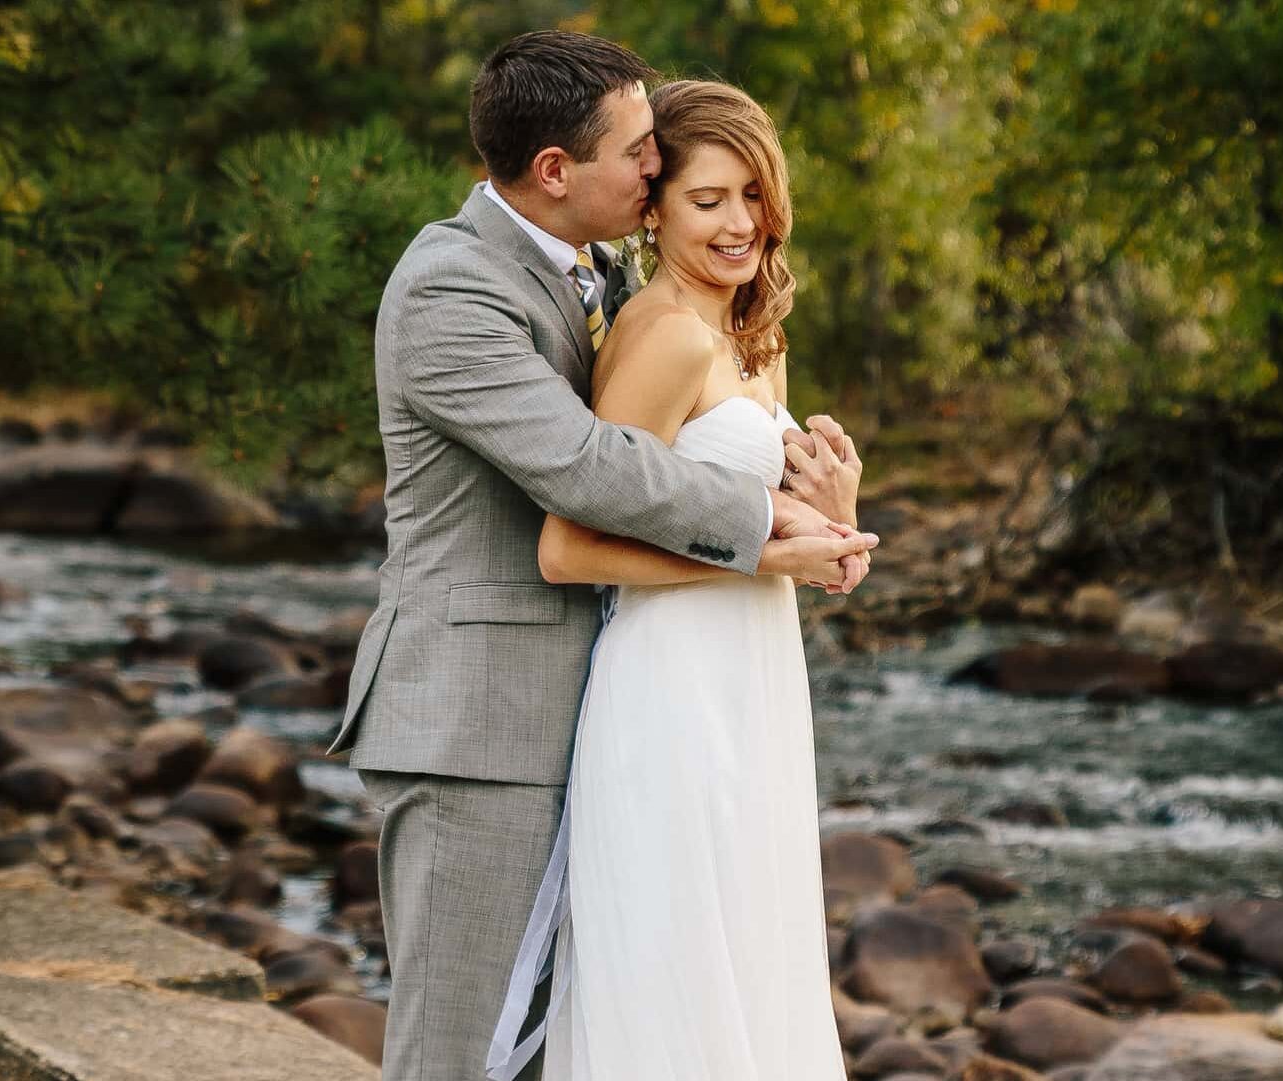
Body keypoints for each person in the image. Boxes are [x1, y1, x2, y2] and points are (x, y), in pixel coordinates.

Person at [329, 32, 875, 1081]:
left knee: (568, 1042)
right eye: (641, 157)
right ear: (553, 171)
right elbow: (587, 468)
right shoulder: (453, 286)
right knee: (458, 1052)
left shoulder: (602, 271)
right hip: (474, 722)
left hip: (603, 704)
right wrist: (768, 529)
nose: (652, 172)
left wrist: (821, 507)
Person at [486, 78, 856, 1081]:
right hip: (671, 693)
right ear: (652, 209)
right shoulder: (664, 336)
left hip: (755, 685)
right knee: (680, 972)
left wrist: (838, 516)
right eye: (708, 200)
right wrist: (771, 552)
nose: (740, 223)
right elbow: (570, 548)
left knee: (750, 955)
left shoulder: (751, 335)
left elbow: (773, 533)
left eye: (753, 195)